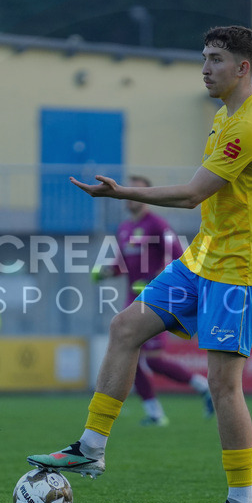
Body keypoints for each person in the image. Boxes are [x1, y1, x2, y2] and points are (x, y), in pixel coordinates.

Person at [28, 25, 252, 503]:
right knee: (126, 327)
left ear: (242, 68)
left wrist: (122, 193)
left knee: (224, 386)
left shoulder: (251, 125)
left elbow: (192, 195)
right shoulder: (224, 116)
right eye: (203, 57)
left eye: (215, 59)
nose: (205, 68)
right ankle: (90, 447)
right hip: (202, 258)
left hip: (239, 269)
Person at [92, 174, 214, 427]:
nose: (132, 196)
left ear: (146, 196)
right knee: (129, 356)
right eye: (130, 190)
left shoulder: (157, 225)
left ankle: (203, 387)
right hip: (133, 300)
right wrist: (106, 272)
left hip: (156, 299)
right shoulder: (124, 229)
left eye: (137, 191)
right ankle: (155, 413)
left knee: (153, 360)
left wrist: (154, 279)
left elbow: (179, 258)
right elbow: (123, 263)